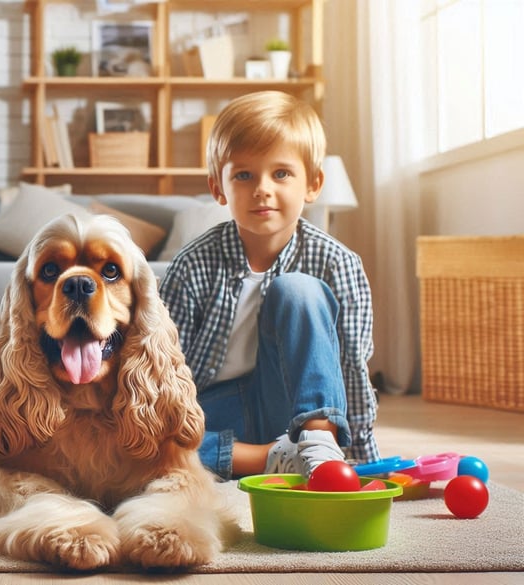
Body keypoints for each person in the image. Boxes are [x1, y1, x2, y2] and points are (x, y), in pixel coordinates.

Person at [158, 90, 380, 480]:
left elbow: (349, 367)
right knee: (153, 445)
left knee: (298, 289)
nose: (262, 188)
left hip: (293, 408)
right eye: (244, 175)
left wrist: (361, 457)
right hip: (210, 411)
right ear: (218, 188)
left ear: (312, 184)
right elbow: (161, 371)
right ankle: (271, 458)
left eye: (281, 173)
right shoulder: (192, 265)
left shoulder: (337, 263)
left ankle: (317, 446)